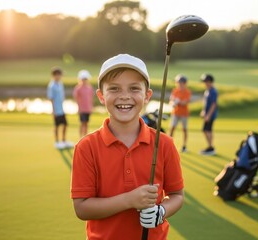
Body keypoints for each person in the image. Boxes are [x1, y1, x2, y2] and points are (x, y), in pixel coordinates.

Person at [71, 54, 184, 240]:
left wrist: (161, 211)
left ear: (147, 95)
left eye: (134, 89)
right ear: (101, 96)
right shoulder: (86, 147)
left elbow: (177, 195)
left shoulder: (164, 144)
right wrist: (130, 200)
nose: (125, 96)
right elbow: (82, 208)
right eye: (114, 89)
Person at [47, 67, 72, 149]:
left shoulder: (60, 83)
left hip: (61, 109)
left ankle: (63, 141)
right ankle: (57, 142)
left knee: (65, 124)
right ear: (55, 75)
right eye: (59, 75)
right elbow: (51, 99)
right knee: (57, 126)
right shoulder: (52, 86)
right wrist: (53, 111)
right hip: (56, 110)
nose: (60, 76)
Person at [169, 74, 191, 152]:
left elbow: (185, 102)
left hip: (184, 113)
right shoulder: (175, 90)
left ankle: (184, 146)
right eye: (177, 82)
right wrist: (173, 103)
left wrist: (178, 101)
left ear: (184, 83)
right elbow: (171, 100)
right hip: (175, 113)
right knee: (172, 128)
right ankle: (169, 144)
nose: (178, 84)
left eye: (180, 82)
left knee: (184, 129)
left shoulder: (187, 92)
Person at [200, 74, 218, 155]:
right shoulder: (207, 91)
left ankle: (211, 147)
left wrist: (208, 115)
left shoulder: (213, 91)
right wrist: (203, 111)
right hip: (207, 114)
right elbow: (205, 103)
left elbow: (213, 104)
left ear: (210, 82)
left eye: (206, 81)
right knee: (206, 130)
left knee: (207, 130)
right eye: (205, 82)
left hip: (211, 115)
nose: (205, 83)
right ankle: (210, 147)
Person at [73, 70, 94, 138]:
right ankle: (81, 138)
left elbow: (91, 98)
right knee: (82, 123)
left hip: (88, 109)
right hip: (82, 109)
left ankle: (85, 137)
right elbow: (76, 98)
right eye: (83, 79)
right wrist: (78, 107)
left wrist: (91, 107)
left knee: (86, 123)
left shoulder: (89, 88)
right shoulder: (78, 88)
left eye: (86, 79)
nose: (84, 80)